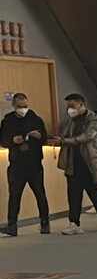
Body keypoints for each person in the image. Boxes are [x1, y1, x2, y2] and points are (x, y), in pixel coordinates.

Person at [54, 93, 97, 234]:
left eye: (72, 106)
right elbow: (64, 134)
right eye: (68, 106)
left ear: (81, 104)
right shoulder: (70, 121)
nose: (70, 109)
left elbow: (88, 136)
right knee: (73, 194)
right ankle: (74, 224)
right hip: (72, 162)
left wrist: (65, 141)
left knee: (94, 193)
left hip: (88, 162)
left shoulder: (93, 119)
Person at [1, 92, 51, 235]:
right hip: (16, 164)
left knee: (40, 194)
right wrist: (12, 140)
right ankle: (12, 226)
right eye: (19, 106)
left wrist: (39, 136)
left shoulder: (35, 119)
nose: (22, 109)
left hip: (34, 163)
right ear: (13, 105)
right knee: (14, 196)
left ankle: (45, 223)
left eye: (24, 106)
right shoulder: (7, 120)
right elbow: (3, 140)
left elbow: (44, 138)